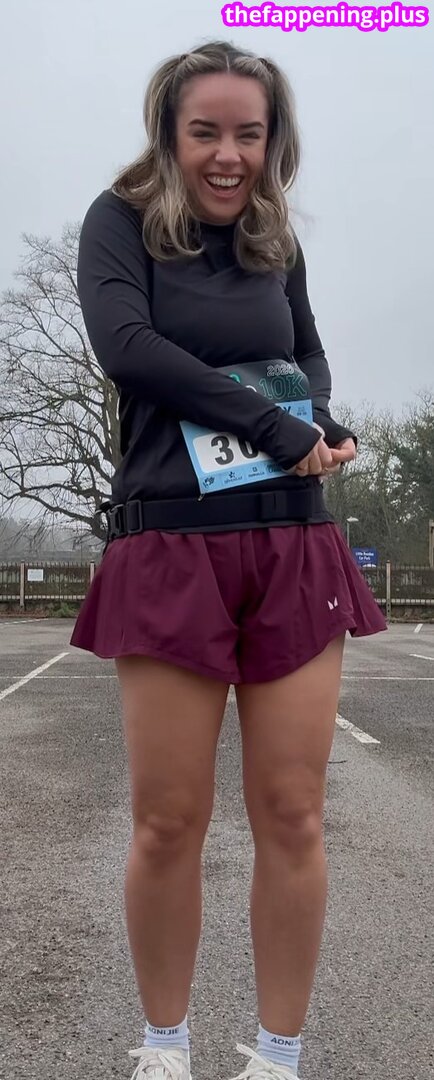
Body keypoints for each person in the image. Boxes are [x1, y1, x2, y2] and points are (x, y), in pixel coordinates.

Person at [70, 39, 387, 1080]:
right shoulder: (118, 224)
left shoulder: (272, 238)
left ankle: (279, 1056)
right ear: (169, 134)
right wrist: (269, 423)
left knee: (292, 813)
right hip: (170, 544)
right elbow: (129, 348)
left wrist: (319, 422)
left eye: (248, 134)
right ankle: (164, 1047)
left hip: (291, 540)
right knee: (168, 820)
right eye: (204, 131)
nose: (227, 155)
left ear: (272, 140)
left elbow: (307, 352)